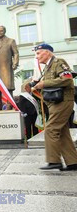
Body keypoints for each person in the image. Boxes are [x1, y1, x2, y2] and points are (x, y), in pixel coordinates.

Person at [31, 43, 77, 171]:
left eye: (38, 53)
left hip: (62, 101)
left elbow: (68, 79)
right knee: (62, 132)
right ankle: (73, 162)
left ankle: (54, 161)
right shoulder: (47, 68)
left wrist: (44, 83)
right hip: (54, 103)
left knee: (51, 130)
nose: (37, 57)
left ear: (48, 52)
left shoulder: (58, 62)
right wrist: (37, 83)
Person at [0, 25, 19, 109]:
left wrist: (15, 63)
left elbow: (16, 53)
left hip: (6, 68)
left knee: (8, 88)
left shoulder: (10, 41)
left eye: (1, 31)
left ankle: (9, 105)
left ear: (4, 31)